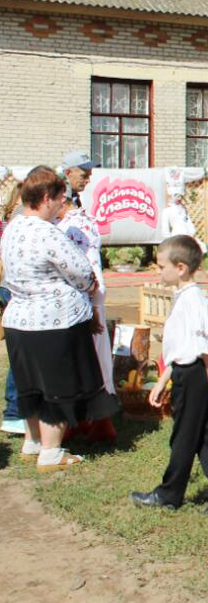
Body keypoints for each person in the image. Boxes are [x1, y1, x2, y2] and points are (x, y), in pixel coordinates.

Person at [2, 166, 117, 471]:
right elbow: (81, 272)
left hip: (18, 320)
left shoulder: (13, 227)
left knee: (30, 384)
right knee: (58, 386)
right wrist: (90, 284)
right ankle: (51, 452)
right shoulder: (47, 232)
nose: (60, 206)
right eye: (58, 199)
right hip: (53, 321)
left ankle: (33, 441)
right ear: (44, 198)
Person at [131, 235, 208, 515]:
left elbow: (207, 349)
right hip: (186, 372)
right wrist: (163, 381)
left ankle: (169, 495)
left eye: (161, 266)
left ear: (180, 268)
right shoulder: (183, 297)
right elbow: (181, 349)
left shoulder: (194, 303)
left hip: (194, 377)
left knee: (184, 437)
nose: (158, 271)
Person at [59, 151, 118, 441]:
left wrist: (96, 304)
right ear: (68, 173)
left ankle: (97, 420)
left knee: (95, 358)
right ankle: (81, 419)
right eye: (83, 173)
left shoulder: (79, 218)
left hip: (90, 299)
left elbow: (91, 263)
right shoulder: (64, 221)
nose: (88, 178)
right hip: (75, 301)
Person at [0, 181, 23, 435]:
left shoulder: (9, 219)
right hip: (13, 288)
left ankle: (16, 411)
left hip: (8, 286)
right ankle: (14, 412)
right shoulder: (20, 219)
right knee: (21, 354)